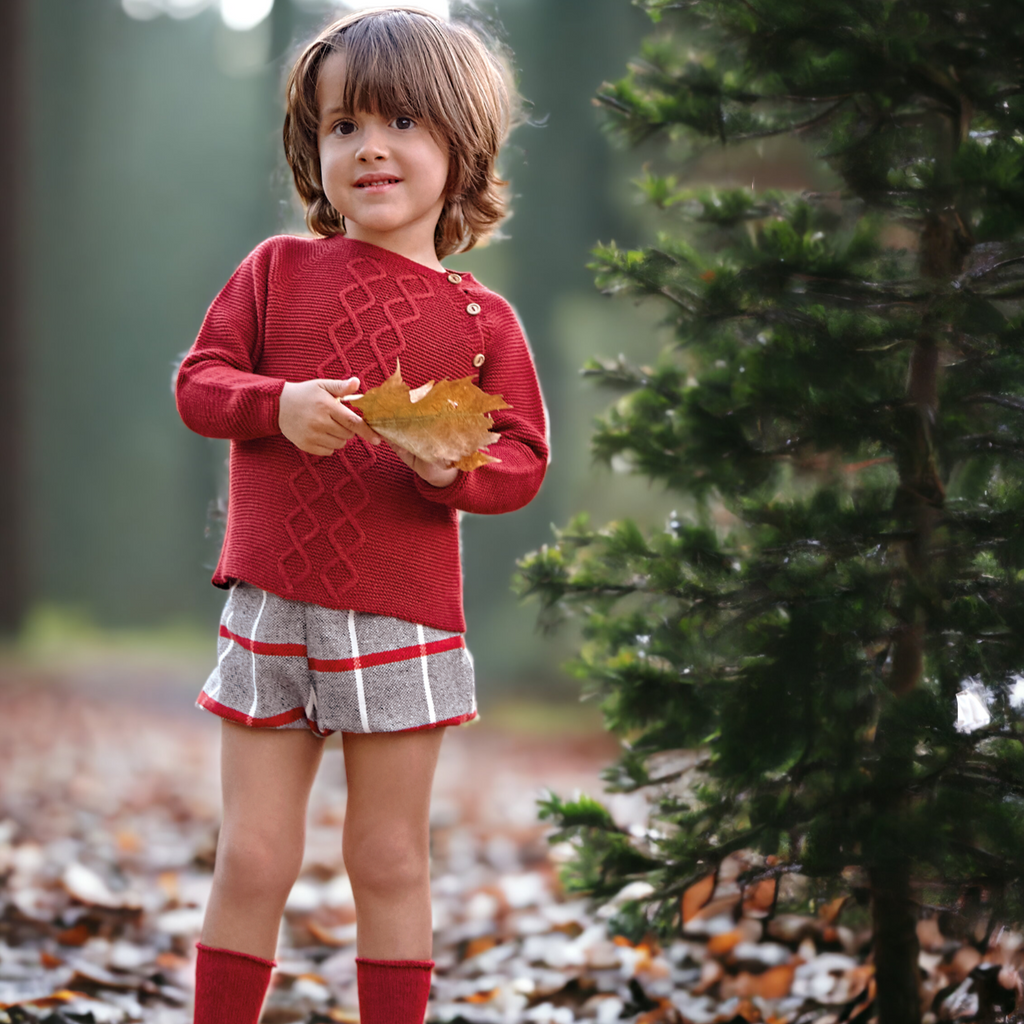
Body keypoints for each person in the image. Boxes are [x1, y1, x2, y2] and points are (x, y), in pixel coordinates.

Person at [174, 7, 548, 1024]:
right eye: (343, 127)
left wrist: (447, 471)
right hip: (273, 602)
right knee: (252, 851)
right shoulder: (275, 273)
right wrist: (276, 405)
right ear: (314, 150)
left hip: (402, 613)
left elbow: (521, 459)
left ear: (460, 152)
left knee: (385, 855)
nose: (369, 146)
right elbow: (201, 384)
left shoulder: (482, 321)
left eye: (401, 123)